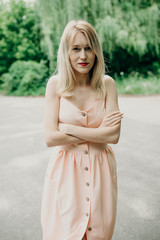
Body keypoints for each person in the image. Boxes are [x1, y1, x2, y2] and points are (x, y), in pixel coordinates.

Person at [41, 19, 123, 240]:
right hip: (66, 171)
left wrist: (67, 129)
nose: (83, 56)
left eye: (88, 48)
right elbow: (50, 138)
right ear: (66, 52)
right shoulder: (55, 85)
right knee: (64, 233)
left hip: (101, 170)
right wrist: (98, 133)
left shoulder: (107, 84)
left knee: (99, 233)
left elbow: (113, 136)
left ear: (96, 50)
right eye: (76, 49)